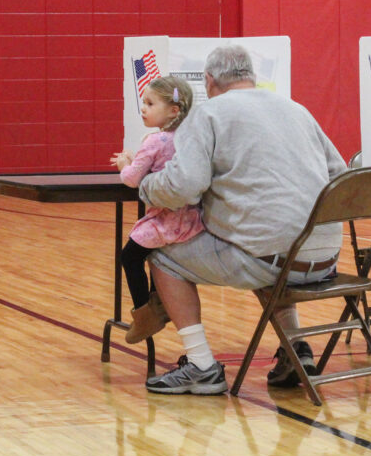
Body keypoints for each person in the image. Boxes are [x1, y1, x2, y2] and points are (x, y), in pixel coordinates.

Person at [139, 45, 347, 395]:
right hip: (326, 257)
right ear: (251, 76)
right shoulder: (296, 109)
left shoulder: (208, 114)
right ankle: (295, 350)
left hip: (271, 258)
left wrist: (147, 186)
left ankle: (202, 366)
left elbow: (183, 188)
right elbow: (340, 174)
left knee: (162, 256)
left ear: (209, 80)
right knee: (264, 244)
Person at [111, 76, 204, 344]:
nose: (143, 108)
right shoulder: (190, 139)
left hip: (165, 218)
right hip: (190, 219)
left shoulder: (154, 141)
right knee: (156, 257)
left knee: (130, 257)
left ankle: (146, 313)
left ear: (173, 111)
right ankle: (159, 304)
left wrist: (124, 164)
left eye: (150, 103)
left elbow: (131, 178)